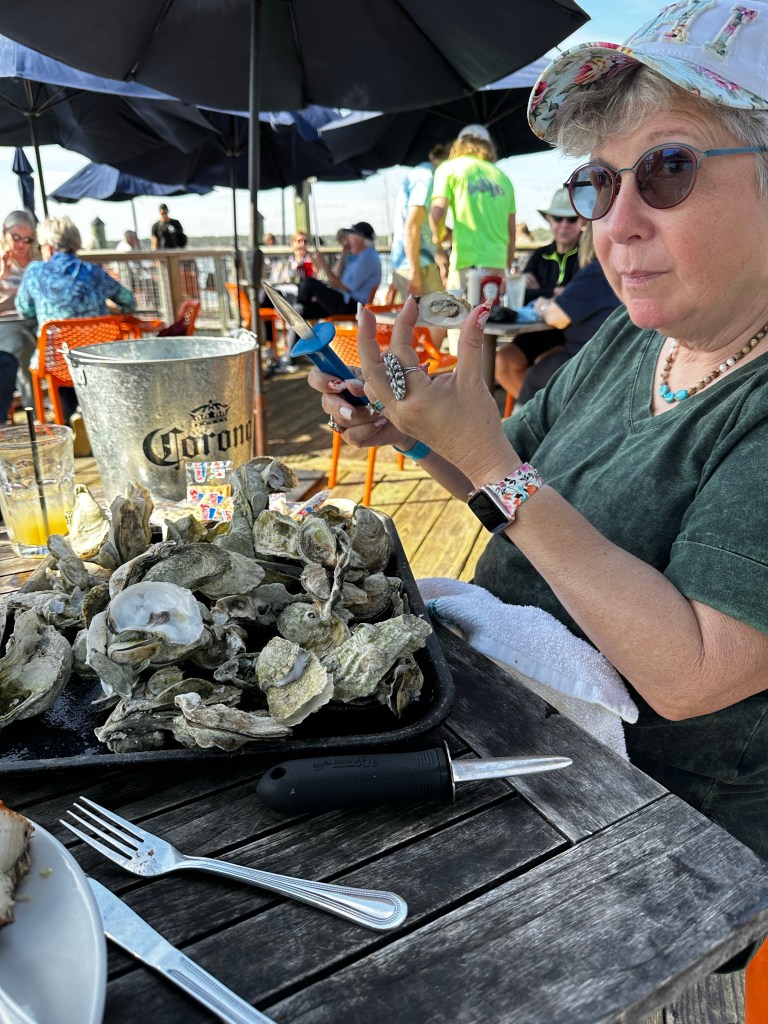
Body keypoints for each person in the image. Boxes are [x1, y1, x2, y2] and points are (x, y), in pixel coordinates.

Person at [309, 0, 768, 879]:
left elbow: (694, 674)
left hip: (660, 834)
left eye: (668, 169)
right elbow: (507, 480)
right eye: (600, 182)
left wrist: (490, 460)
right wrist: (415, 430)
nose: (616, 222)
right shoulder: (635, 339)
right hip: (507, 733)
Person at [16, 216, 136, 454]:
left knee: (54, 363)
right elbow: (129, 301)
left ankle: (65, 425)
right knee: (82, 363)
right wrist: (107, 311)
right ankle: (87, 418)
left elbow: (24, 309)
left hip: (55, 361)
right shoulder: (93, 272)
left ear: (49, 246)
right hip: (95, 360)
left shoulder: (36, 272)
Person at [497, 224, 621, 406]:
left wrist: (542, 302)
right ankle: (551, 415)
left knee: (536, 374)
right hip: (570, 341)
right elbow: (523, 292)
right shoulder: (541, 255)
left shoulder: (593, 270)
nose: (564, 224)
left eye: (571, 219)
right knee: (505, 360)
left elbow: (557, 315)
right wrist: (553, 292)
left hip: (582, 350)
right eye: (557, 218)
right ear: (549, 220)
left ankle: (536, 418)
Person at [429, 124, 516, 295]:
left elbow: (437, 214)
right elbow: (512, 232)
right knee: (492, 312)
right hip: (497, 264)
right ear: (489, 146)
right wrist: (506, 267)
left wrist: (438, 239)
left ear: (458, 145)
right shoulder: (504, 178)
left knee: (459, 312)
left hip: (464, 262)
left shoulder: (449, 168)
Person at [389, 143, 450, 300]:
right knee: (444, 312)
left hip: (413, 263)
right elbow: (412, 225)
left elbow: (422, 226)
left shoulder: (423, 173)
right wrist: (414, 271)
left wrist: (439, 253)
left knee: (427, 314)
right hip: (416, 265)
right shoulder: (427, 177)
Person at [0, 211, 41, 420]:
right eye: (16, 237)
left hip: (37, 320)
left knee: (60, 341)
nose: (21, 244)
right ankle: (36, 416)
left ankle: (66, 409)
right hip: (8, 323)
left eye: (28, 239)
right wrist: (2, 276)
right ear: (4, 233)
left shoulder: (39, 261)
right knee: (23, 346)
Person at [298, 221, 381, 318]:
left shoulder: (367, 259)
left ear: (360, 238)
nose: (349, 239)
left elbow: (343, 286)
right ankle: (298, 308)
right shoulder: (360, 256)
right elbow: (335, 276)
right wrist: (344, 252)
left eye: (352, 236)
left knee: (308, 283)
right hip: (346, 302)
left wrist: (323, 265)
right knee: (303, 311)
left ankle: (298, 306)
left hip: (352, 305)